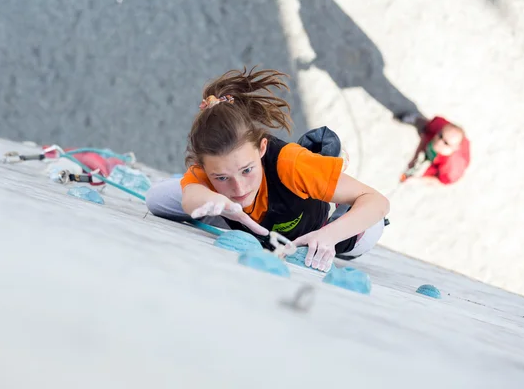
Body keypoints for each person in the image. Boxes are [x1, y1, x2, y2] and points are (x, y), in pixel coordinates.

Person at [146, 67, 389, 272]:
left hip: (318, 224)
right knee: (158, 198)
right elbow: (187, 199)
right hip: (249, 223)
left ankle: (327, 180)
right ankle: (222, 196)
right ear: (204, 167)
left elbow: (377, 201)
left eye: (247, 170)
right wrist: (215, 200)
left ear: (262, 148)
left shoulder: (289, 163)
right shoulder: (209, 172)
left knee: (370, 228)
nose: (239, 187)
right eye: (221, 177)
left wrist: (330, 236)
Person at [396, 113, 470, 185]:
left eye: (446, 143)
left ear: (455, 148)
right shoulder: (438, 126)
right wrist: (415, 157)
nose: (439, 142)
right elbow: (425, 137)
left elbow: (440, 181)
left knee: (426, 172)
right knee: (424, 128)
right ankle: (416, 119)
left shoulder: (452, 168)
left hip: (439, 164)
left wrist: (418, 180)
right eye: (440, 135)